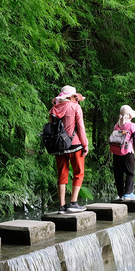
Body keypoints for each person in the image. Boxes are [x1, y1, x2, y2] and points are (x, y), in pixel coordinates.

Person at [49, 86, 88, 214]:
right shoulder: (75, 107)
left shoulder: (54, 109)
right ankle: (73, 203)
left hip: (58, 146)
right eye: (75, 96)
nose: (76, 99)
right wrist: (85, 144)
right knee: (79, 172)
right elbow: (81, 127)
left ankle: (61, 206)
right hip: (75, 144)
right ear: (71, 97)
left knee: (62, 174)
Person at [110, 105, 135, 200]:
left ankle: (121, 194)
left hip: (116, 152)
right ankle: (128, 193)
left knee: (118, 174)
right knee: (130, 173)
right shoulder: (132, 125)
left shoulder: (116, 125)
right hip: (127, 151)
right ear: (130, 115)